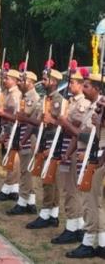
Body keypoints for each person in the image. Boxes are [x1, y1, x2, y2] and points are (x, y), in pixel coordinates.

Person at [65, 74, 105, 259]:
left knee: (90, 201)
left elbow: (91, 137)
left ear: (97, 88)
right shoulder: (94, 107)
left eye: (87, 86)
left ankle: (89, 242)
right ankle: (101, 243)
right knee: (96, 202)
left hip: (96, 157)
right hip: (91, 155)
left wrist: (99, 124)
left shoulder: (100, 108)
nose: (84, 88)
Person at [51, 68, 90, 245]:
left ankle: (74, 227)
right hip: (68, 147)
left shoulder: (82, 104)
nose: (70, 85)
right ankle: (74, 224)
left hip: (76, 150)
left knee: (72, 190)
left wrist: (63, 121)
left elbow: (78, 130)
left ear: (82, 85)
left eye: (73, 82)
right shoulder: (72, 101)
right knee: (68, 189)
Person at [26, 67, 64, 229]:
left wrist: (51, 120)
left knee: (49, 180)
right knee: (49, 179)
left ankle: (47, 212)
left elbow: (62, 124)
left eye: (46, 78)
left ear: (54, 82)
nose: (43, 81)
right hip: (44, 139)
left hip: (53, 141)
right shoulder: (45, 99)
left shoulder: (58, 100)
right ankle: (52, 214)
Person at [7, 70, 40, 216]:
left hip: (28, 137)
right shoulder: (25, 96)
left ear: (30, 83)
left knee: (25, 171)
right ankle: (30, 201)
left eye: (22, 80)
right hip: (24, 135)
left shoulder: (32, 97)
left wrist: (22, 139)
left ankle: (23, 201)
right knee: (25, 170)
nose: (19, 82)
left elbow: (24, 116)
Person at [0, 69, 21, 202]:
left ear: (14, 80)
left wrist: (3, 113)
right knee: (10, 160)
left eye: (7, 78)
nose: (4, 80)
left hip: (14, 129)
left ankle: (9, 187)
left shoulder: (16, 95)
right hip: (7, 129)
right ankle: (12, 188)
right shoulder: (7, 93)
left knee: (13, 160)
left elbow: (16, 116)